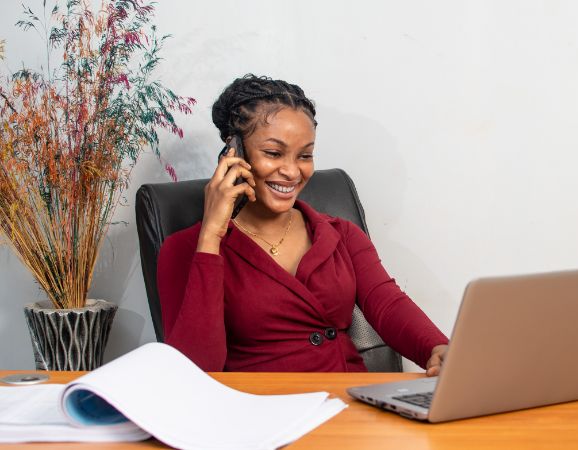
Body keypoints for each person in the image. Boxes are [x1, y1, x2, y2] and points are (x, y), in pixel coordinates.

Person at [157, 74, 449, 375]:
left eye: (305, 155)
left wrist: (436, 349)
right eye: (273, 153)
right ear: (234, 153)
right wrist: (211, 237)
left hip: (349, 403)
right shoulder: (186, 249)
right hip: (260, 413)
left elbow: (387, 305)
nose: (292, 171)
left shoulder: (340, 234)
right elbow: (195, 371)